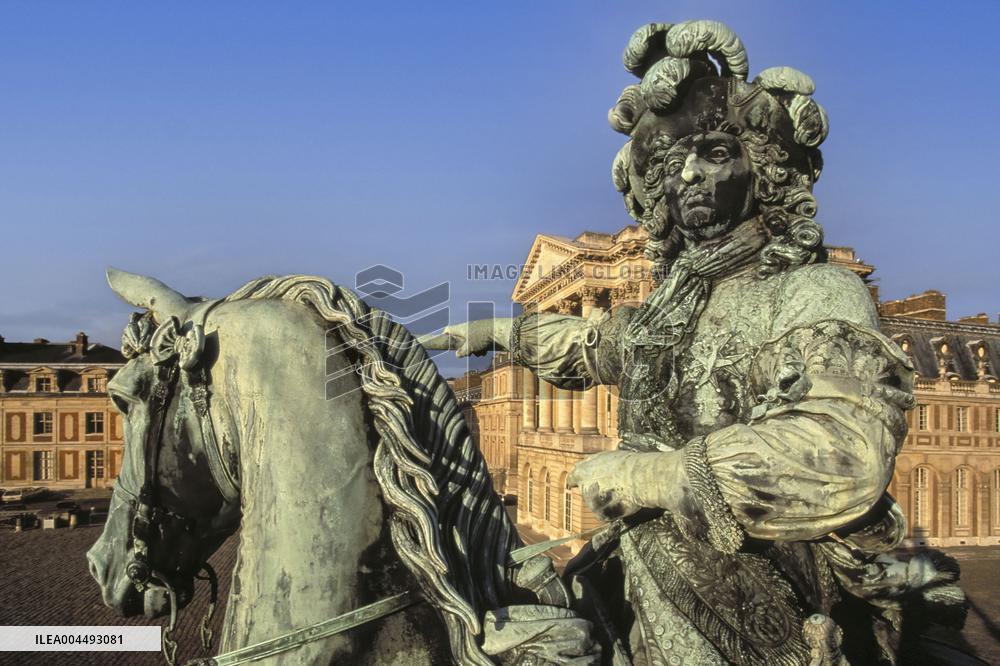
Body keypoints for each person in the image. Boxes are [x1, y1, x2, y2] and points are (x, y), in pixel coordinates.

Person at [424, 20, 965, 665]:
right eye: (667, 164)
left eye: (713, 152)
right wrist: (499, 334)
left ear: (762, 167)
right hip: (642, 564)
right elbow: (599, 345)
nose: (688, 176)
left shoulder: (814, 291)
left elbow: (843, 450)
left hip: (758, 594)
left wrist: (666, 474)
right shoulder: (672, 303)